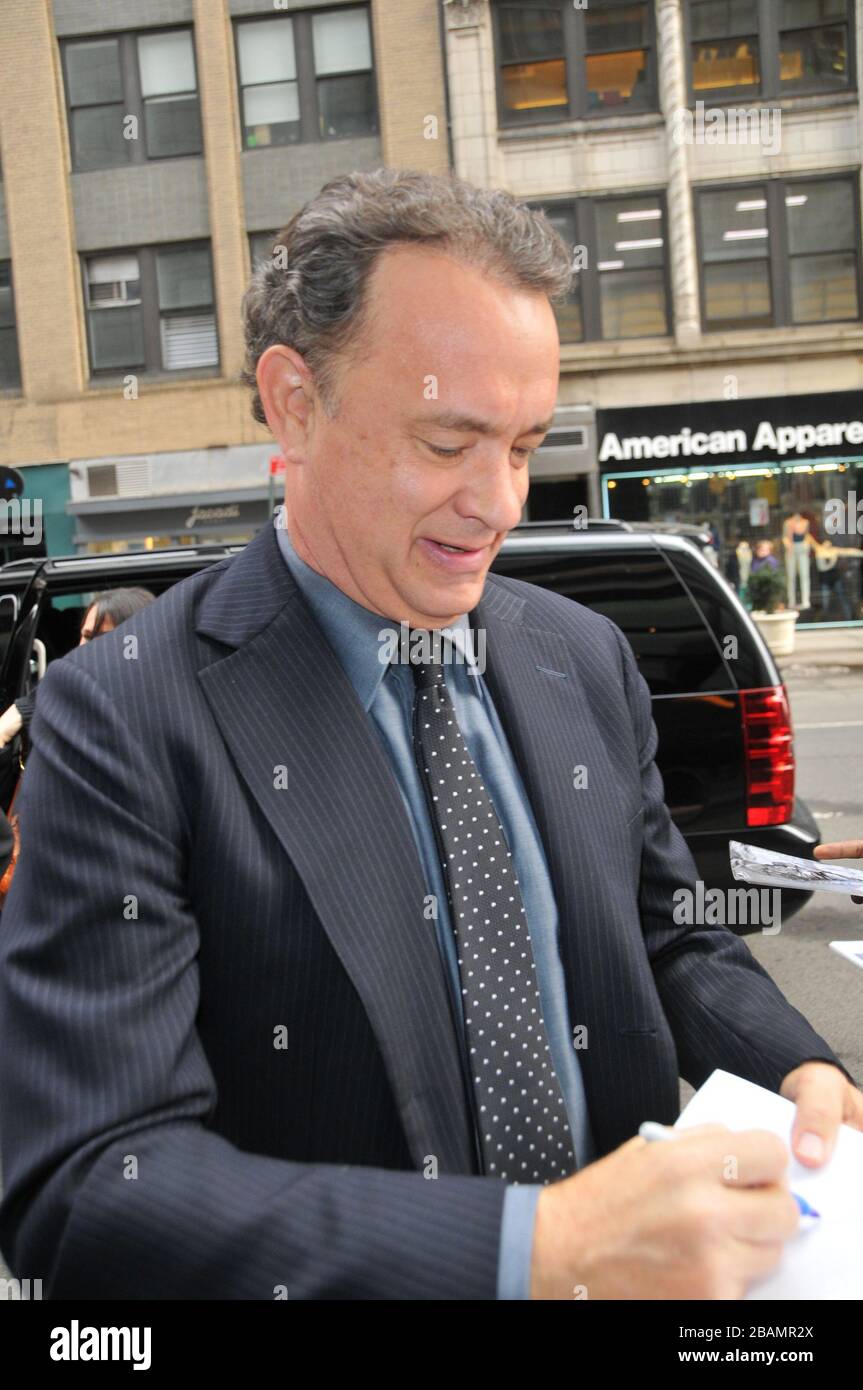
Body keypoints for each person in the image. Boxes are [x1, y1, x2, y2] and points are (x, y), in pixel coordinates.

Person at [0, 169, 860, 1303]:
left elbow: (664, 938)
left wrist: (795, 1062)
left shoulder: (582, 658)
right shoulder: (123, 718)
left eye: (522, 446)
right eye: (449, 441)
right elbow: (88, 1187)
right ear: (295, 404)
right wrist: (533, 1248)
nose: (499, 503)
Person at [0, 587, 156, 749]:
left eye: (104, 638)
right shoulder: (74, 687)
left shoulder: (160, 709)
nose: (88, 648)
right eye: (87, 636)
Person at [782, 511, 814, 611]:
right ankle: (791, 601)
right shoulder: (787, 523)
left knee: (804, 575)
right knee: (791, 576)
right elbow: (785, 537)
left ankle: (805, 601)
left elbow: (807, 535)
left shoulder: (805, 522)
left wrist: (807, 544)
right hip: (791, 548)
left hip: (802, 548)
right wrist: (787, 545)